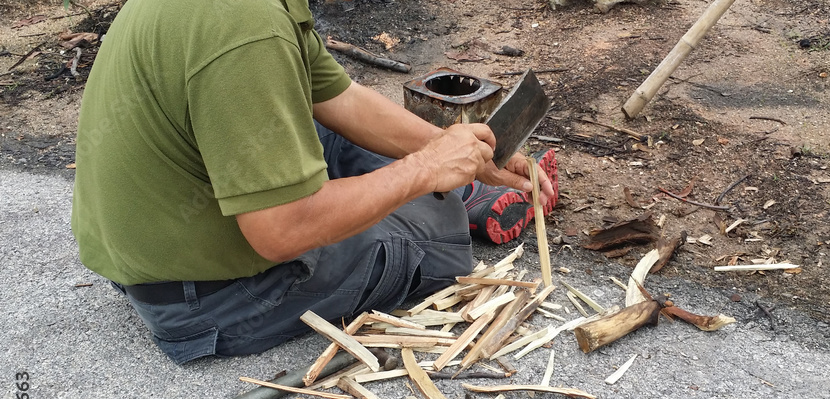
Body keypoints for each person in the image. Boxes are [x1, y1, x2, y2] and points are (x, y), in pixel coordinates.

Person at [71, 0, 557, 364]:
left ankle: (461, 183)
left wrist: (462, 151)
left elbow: (341, 100)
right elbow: (282, 231)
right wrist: (424, 169)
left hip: (148, 247)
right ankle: (451, 197)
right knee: (440, 231)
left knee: (313, 124)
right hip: (205, 301)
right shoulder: (249, 29)